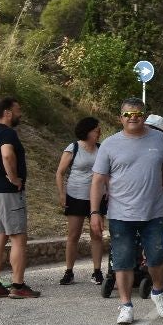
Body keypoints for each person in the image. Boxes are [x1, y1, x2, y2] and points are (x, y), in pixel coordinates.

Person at [90, 98, 163, 324]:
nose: (133, 117)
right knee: (123, 260)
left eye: (138, 113)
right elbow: (98, 180)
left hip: (154, 211)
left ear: (144, 115)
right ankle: (126, 305)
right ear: (121, 118)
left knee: (156, 256)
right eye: (128, 114)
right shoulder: (110, 144)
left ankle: (158, 291)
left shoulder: (158, 139)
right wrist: (94, 212)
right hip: (121, 214)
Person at [0, 97, 38, 298]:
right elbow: (7, 155)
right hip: (7, 192)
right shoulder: (7, 133)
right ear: (7, 112)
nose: (20, 114)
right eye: (17, 110)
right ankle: (18, 286)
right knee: (18, 238)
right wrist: (14, 178)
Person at [56, 116, 105, 285]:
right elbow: (60, 172)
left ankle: (97, 271)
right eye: (96, 130)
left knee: (97, 234)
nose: (99, 133)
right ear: (87, 131)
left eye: (99, 130)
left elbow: (108, 173)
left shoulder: (101, 148)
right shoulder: (74, 147)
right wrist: (62, 194)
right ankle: (69, 271)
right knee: (73, 234)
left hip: (97, 197)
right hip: (76, 195)